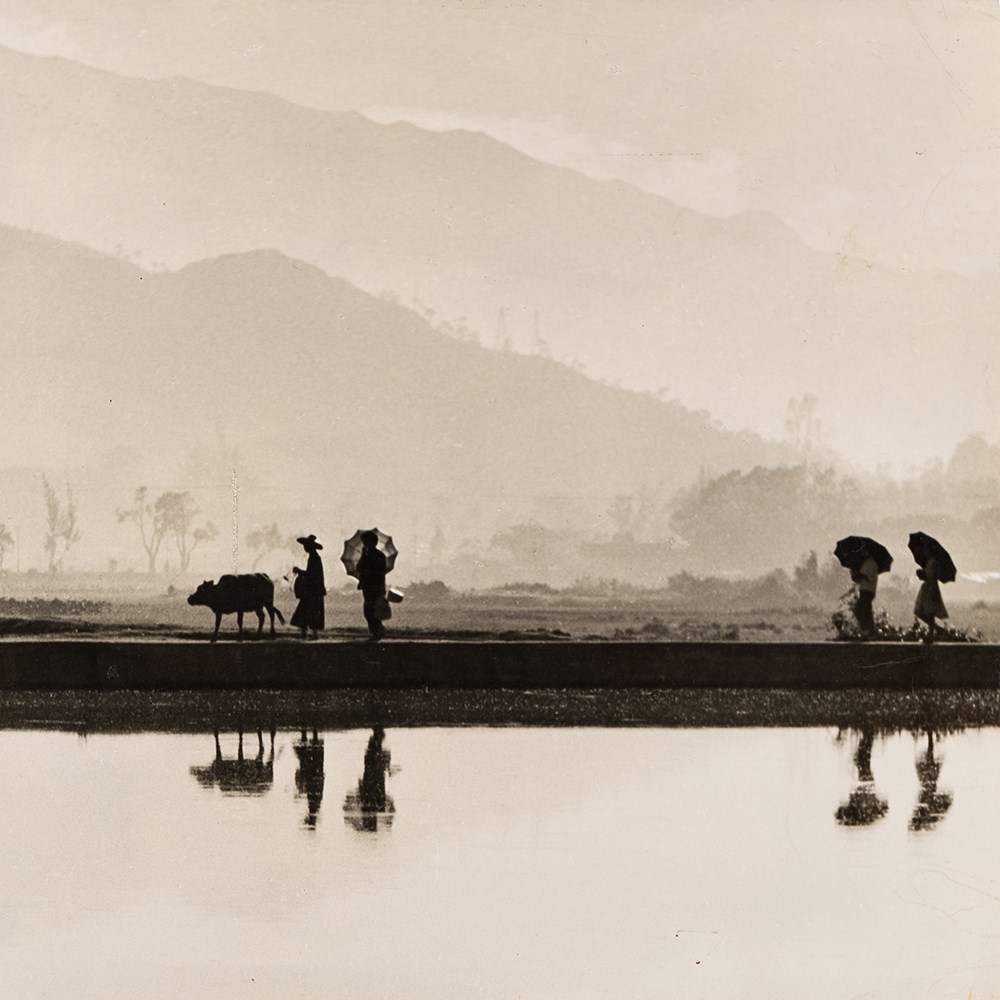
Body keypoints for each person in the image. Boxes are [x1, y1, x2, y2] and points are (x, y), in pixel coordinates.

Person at [290, 534, 326, 639]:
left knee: (306, 610)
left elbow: (312, 574)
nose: (304, 548)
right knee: (310, 611)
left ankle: (309, 634)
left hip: (313, 590)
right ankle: (309, 634)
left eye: (306, 546)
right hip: (315, 590)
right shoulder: (314, 557)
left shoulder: (314, 558)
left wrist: (299, 571)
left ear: (310, 547)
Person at [356, 530, 388, 639]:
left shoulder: (378, 556)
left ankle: (377, 631)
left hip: (375, 587)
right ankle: (376, 631)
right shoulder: (369, 555)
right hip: (370, 587)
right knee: (370, 610)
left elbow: (378, 571)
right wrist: (364, 557)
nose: (364, 544)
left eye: (365, 541)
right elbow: (359, 568)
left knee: (373, 610)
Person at [914, 554, 948, 642]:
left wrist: (923, 574)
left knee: (929, 613)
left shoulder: (933, 562)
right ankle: (937, 630)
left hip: (930, 589)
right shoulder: (928, 562)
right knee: (921, 612)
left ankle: (931, 634)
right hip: (927, 588)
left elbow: (931, 577)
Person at [850, 554, 879, 638]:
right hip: (865, 590)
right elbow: (860, 579)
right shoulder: (866, 563)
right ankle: (870, 631)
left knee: (859, 610)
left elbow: (865, 577)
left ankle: (866, 630)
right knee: (866, 611)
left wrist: (855, 571)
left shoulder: (871, 563)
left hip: (868, 591)